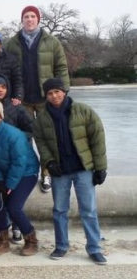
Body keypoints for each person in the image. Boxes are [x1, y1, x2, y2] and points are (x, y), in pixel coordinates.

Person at [33, 78, 108, 264]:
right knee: (59, 210)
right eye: (50, 93)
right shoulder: (42, 117)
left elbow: (97, 138)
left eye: (57, 92)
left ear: (64, 91)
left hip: (83, 168)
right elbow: (40, 142)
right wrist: (49, 162)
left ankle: (94, 248)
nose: (54, 96)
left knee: (89, 210)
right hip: (60, 171)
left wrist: (100, 167)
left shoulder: (83, 111)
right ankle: (61, 245)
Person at [6, 5, 70, 193]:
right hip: (22, 100)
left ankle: (46, 173)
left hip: (45, 98)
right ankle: (26, 173)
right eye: (26, 16)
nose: (29, 19)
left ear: (38, 19)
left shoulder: (52, 42)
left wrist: (62, 92)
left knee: (48, 137)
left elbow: (61, 68)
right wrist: (11, 95)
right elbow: (8, 70)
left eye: (33, 16)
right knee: (23, 139)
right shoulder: (12, 43)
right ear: (22, 20)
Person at [0, 99, 40, 256]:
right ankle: (2, 241)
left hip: (27, 172)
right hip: (4, 174)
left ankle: (31, 239)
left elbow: (19, 162)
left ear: (1, 117)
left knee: (13, 206)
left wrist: (10, 185)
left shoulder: (14, 135)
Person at [0, 74, 34, 140]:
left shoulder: (16, 106)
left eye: (3, 87)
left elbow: (32, 128)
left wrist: (17, 137)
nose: (0, 90)